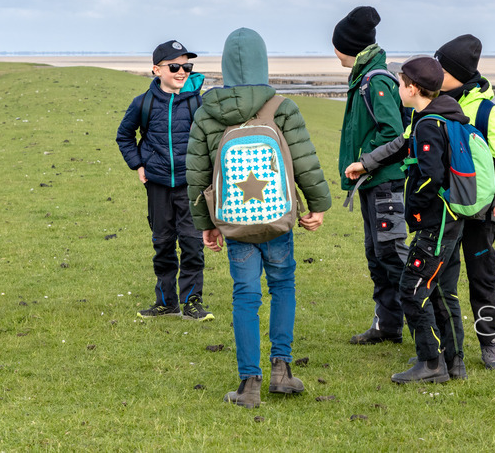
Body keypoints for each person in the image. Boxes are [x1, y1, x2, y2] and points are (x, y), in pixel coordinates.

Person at [186, 28, 332, 408]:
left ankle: (249, 384)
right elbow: (304, 160)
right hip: (277, 216)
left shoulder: (206, 112)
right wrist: (316, 204)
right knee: (282, 286)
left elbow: (197, 174)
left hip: (236, 221)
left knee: (245, 294)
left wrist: (206, 224)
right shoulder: (281, 106)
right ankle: (282, 370)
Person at [347, 56, 464, 383]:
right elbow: (401, 145)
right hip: (453, 220)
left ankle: (430, 363)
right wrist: (366, 164)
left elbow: (431, 177)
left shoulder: (428, 125)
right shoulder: (442, 115)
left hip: (437, 223)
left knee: (412, 288)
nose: (397, 88)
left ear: (413, 89)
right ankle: (454, 362)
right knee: (441, 290)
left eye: (400, 84)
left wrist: (413, 210)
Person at [434, 34, 495, 370]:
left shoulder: (489, 113)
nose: (436, 71)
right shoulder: (431, 102)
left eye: (442, 66)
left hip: (481, 215)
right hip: (445, 209)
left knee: (483, 278)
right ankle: (446, 348)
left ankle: (491, 345)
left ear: (458, 73)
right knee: (442, 279)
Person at [115, 40, 211, 321]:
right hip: (157, 185)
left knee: (193, 244)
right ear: (156, 69)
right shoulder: (142, 103)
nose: (182, 72)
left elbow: (209, 139)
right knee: (163, 244)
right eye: (175, 66)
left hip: (189, 185)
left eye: (187, 66)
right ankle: (166, 302)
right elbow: (124, 136)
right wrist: (137, 164)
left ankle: (193, 302)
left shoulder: (197, 102)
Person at [332, 6, 408, 345]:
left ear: (348, 45)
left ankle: (427, 322)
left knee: (391, 254)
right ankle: (387, 325)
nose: (333, 51)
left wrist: (364, 162)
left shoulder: (374, 80)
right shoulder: (363, 77)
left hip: (383, 182)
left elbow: (394, 133)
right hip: (371, 183)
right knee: (377, 255)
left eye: (335, 44)